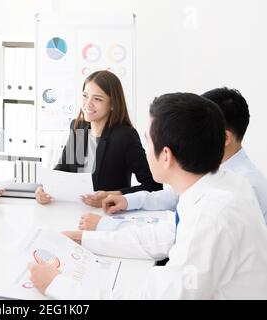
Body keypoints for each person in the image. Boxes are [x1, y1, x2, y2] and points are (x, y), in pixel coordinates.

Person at [29, 92, 267, 299]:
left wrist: (59, 286)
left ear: (166, 155)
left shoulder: (213, 215)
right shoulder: (215, 186)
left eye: (147, 140)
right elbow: (162, 237)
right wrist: (85, 240)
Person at [80, 87, 267, 231]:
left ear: (224, 138)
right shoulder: (215, 170)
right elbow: (175, 196)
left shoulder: (243, 187)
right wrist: (128, 200)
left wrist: (106, 226)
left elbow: (174, 235)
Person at [35, 70, 161, 205]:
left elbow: (153, 186)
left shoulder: (125, 136)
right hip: (74, 210)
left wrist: (112, 195)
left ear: (112, 104)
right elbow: (63, 171)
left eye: (97, 99)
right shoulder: (78, 128)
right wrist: (44, 189)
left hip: (108, 214)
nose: (88, 104)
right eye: (85, 96)